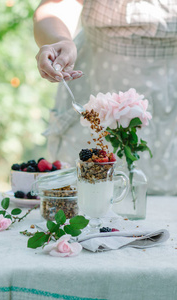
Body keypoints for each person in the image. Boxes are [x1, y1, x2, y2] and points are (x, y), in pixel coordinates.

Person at [33, 0, 177, 195]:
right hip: (95, 85)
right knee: (87, 197)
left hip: (169, 101)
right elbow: (59, 5)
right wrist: (61, 40)